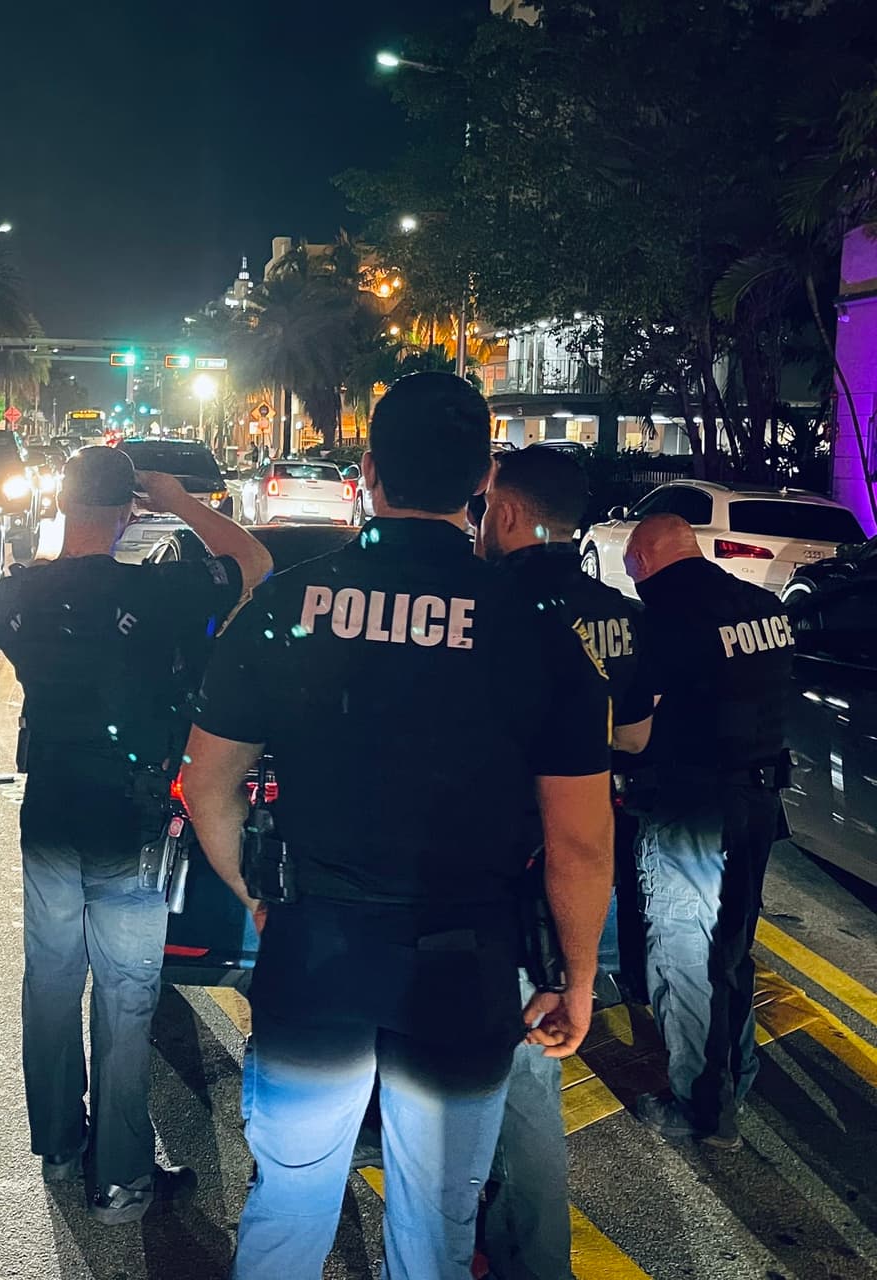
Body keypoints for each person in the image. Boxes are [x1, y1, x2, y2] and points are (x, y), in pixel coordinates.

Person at [181, 373, 614, 1280]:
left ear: (370, 471)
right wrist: (575, 981)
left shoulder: (288, 607)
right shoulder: (535, 632)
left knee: (290, 1203)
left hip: (317, 943)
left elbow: (208, 784)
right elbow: (579, 840)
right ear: (481, 482)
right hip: (463, 960)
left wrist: (256, 898)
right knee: (438, 1222)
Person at [0, 447, 271, 1223]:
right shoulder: (162, 589)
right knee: (124, 1000)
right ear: (129, 509)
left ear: (60, 502)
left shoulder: (23, 590)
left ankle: (59, 1148)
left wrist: (17, 598)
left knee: (50, 986)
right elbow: (251, 560)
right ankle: (119, 1180)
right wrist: (179, 498)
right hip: (132, 821)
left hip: (50, 815)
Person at [475, 445, 653, 1280]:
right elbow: (635, 737)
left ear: (507, 513)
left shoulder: (486, 606)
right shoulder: (613, 611)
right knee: (530, 1075)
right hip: (574, 867)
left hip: (486, 863)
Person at [622, 513, 795, 1149]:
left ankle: (702, 1106)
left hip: (693, 809)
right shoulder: (761, 604)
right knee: (729, 949)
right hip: (758, 802)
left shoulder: (664, 621)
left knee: (685, 956)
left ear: (641, 558)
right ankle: (736, 1076)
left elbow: (635, 731)